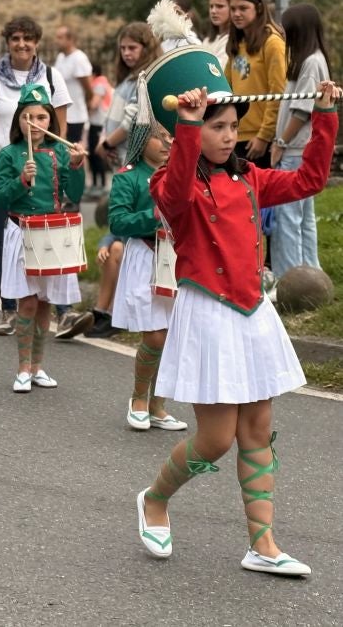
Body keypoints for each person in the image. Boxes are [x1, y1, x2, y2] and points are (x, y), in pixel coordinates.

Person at [134, 45, 340, 577]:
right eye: (217, 126)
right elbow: (177, 191)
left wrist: (325, 117)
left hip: (253, 313)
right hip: (207, 314)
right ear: (193, 130)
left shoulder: (247, 178)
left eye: (232, 125)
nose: (229, 135)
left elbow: (309, 181)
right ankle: (155, 499)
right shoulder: (169, 183)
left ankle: (262, 545)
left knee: (258, 428)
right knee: (216, 439)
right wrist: (184, 124)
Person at [0, 16, 73, 336]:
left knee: (50, 232)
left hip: (44, 165)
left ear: (37, 43)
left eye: (28, 38)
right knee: (5, 239)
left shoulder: (52, 77)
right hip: (4, 163)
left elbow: (60, 128)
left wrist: (59, 162)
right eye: (16, 38)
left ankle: (62, 310)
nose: (22, 44)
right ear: (8, 42)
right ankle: (9, 308)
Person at [0, 83, 86, 392]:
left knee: (45, 303)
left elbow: (74, 193)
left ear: (50, 121)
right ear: (19, 120)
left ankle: (38, 367)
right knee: (28, 303)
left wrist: (76, 165)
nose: (34, 123)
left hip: (53, 233)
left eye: (41, 117)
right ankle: (22, 368)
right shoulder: (8, 154)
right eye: (28, 117)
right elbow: (0, 198)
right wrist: (22, 180)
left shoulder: (60, 150)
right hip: (22, 230)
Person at [109, 126, 187, 431]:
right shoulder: (127, 177)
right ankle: (138, 399)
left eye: (171, 136)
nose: (168, 141)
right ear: (142, 141)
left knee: (171, 338)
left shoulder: (182, 173)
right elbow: (116, 220)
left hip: (178, 258)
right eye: (160, 136)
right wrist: (152, 216)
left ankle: (158, 406)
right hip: (145, 257)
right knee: (155, 335)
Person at [268, 3, 330, 281]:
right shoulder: (313, 60)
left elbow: (301, 110)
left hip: (293, 151)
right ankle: (311, 276)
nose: (283, 32)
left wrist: (280, 142)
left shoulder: (310, 63)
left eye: (286, 28)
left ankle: (290, 279)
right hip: (298, 150)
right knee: (304, 219)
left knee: (288, 219)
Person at [226, 0, 286, 167]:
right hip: (236, 134)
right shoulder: (237, 44)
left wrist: (264, 136)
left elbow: (278, 93)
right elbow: (226, 88)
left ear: (259, 8)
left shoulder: (272, 43)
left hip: (260, 139)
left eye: (243, 8)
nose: (236, 14)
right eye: (233, 9)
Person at [97, 22, 162, 167]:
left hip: (132, 157)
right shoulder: (129, 77)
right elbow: (111, 115)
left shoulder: (145, 78)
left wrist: (107, 144)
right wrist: (105, 139)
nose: (126, 53)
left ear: (147, 49)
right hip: (118, 153)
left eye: (132, 48)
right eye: (123, 48)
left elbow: (132, 121)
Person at [54, 25, 94, 144]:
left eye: (60, 37)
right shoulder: (60, 57)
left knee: (74, 151)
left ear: (70, 39)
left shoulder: (79, 58)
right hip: (61, 113)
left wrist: (87, 104)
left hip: (76, 115)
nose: (57, 41)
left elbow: (88, 88)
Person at [86, 63, 112, 196]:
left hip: (99, 123)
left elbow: (95, 104)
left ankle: (101, 185)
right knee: (92, 153)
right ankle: (95, 184)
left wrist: (85, 107)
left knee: (97, 153)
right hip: (96, 123)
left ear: (93, 73)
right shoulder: (100, 82)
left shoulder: (99, 84)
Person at [202, 0, 233, 70]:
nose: (213, 11)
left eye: (220, 6)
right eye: (211, 6)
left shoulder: (233, 39)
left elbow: (218, 71)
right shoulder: (208, 40)